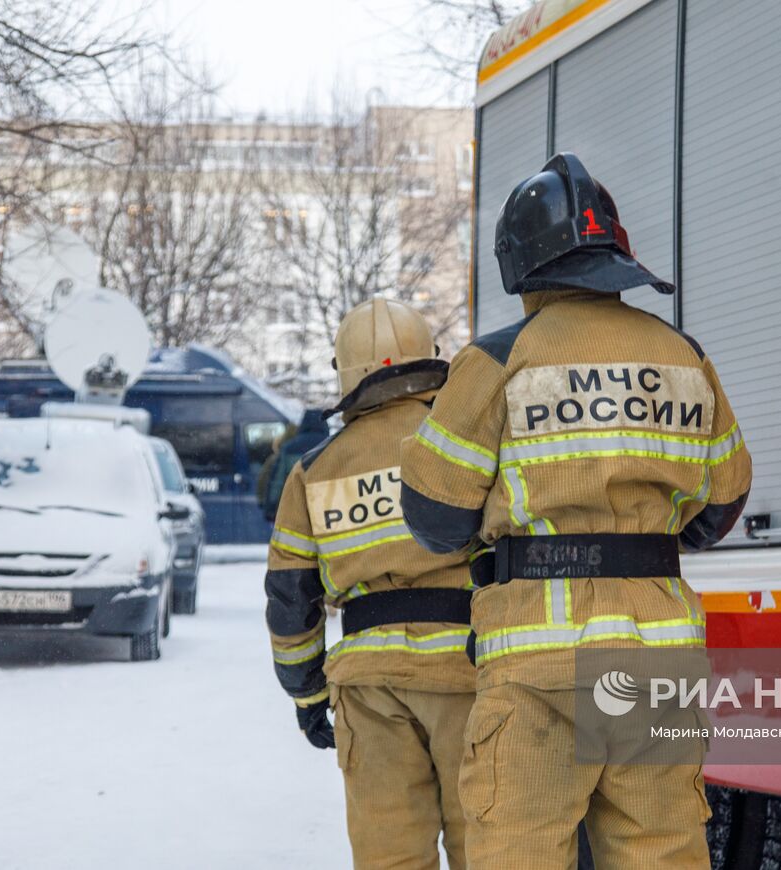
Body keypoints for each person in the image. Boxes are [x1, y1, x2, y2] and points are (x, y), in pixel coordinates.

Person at [399, 153, 752, 868]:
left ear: (522, 265)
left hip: (538, 665)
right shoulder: (684, 356)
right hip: (656, 662)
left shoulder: (498, 359)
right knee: (663, 855)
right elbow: (720, 507)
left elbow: (434, 515)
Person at [264, 298, 475, 869]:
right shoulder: (465, 446)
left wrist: (307, 693)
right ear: (429, 361)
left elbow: (291, 596)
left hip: (368, 689)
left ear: (345, 373)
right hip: (470, 674)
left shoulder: (314, 470)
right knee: (486, 849)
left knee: (390, 856)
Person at [257, 408, 329, 522]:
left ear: (303, 424)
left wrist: (271, 508)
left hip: (296, 511)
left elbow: (278, 482)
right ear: (325, 424)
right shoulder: (333, 445)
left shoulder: (289, 448)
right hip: (327, 511)